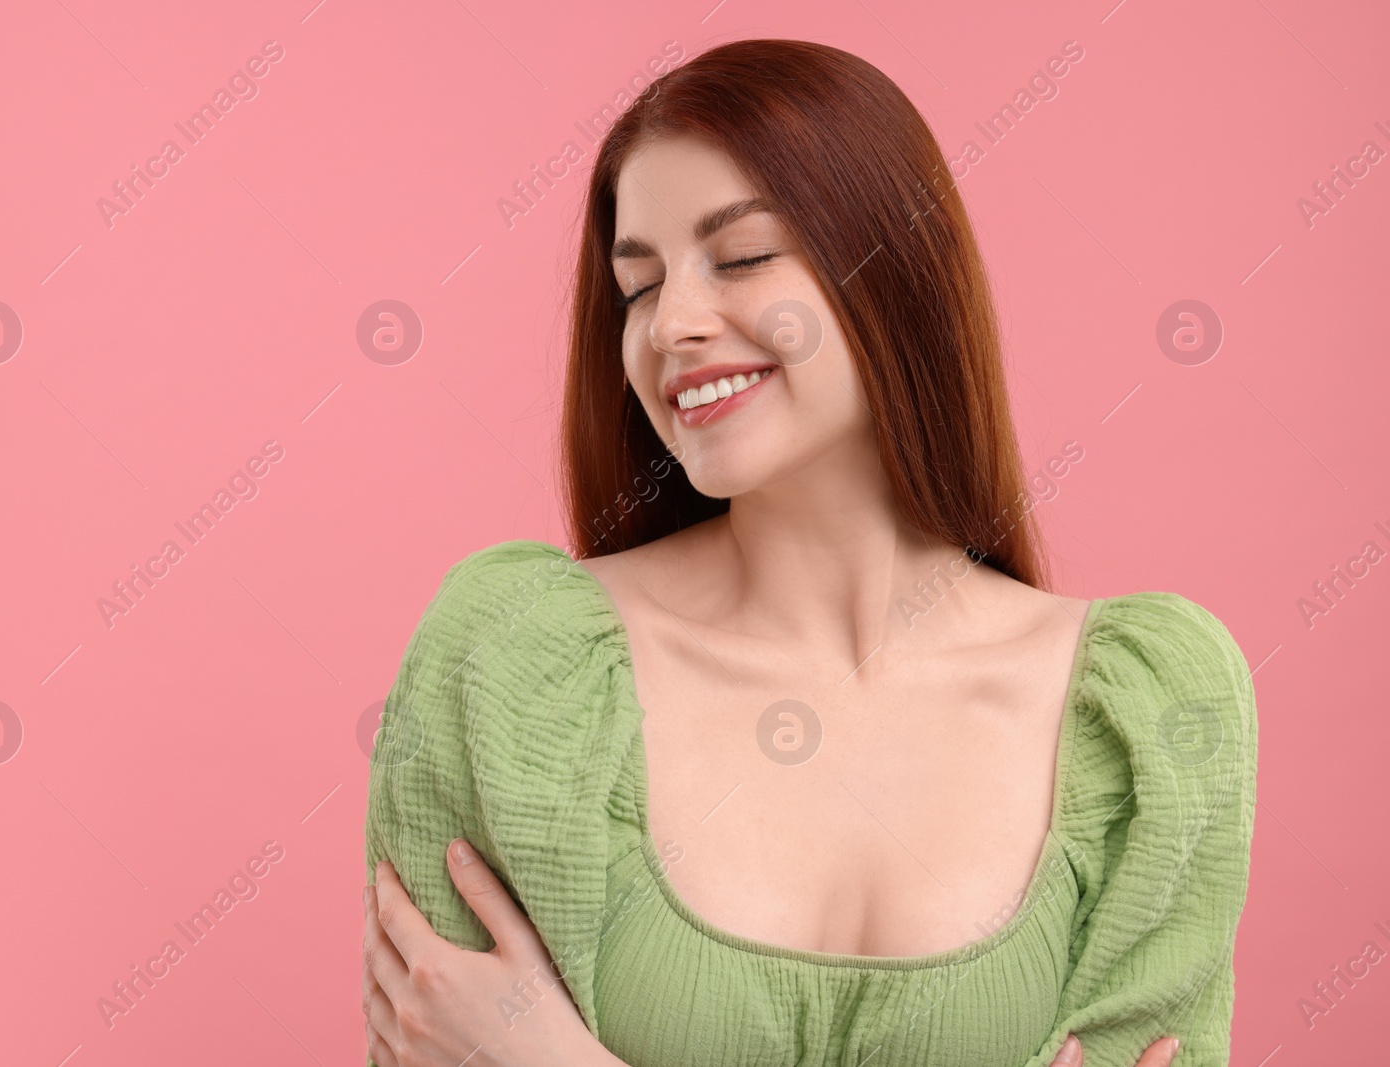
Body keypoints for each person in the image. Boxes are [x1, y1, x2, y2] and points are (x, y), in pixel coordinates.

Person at [362, 38, 1256, 1067]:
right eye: (637, 286)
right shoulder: (510, 660)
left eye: (741, 258)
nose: (672, 327)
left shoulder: (1155, 708)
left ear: (896, 267)